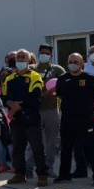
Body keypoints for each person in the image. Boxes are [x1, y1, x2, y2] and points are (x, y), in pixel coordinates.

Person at [54, 54, 94, 186]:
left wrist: (88, 107)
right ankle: (64, 175)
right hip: (67, 119)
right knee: (66, 148)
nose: (73, 64)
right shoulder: (62, 79)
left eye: (76, 62)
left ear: (82, 63)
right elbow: (59, 96)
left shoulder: (91, 79)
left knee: (91, 148)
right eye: (70, 62)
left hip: (86, 119)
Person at [3, 49, 48, 187]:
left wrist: (15, 107)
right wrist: (11, 105)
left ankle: (42, 175)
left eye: (23, 57)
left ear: (29, 60)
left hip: (31, 118)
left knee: (37, 148)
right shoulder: (9, 78)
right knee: (17, 148)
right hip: (16, 120)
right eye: (18, 57)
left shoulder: (35, 76)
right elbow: (3, 97)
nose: (21, 59)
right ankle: (19, 174)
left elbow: (34, 96)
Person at [36, 44, 66, 175]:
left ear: (51, 55)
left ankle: (49, 167)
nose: (44, 55)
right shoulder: (32, 69)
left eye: (47, 53)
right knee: (33, 142)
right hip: (35, 110)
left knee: (50, 141)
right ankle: (29, 169)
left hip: (52, 109)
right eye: (42, 53)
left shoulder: (57, 70)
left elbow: (66, 84)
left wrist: (53, 90)